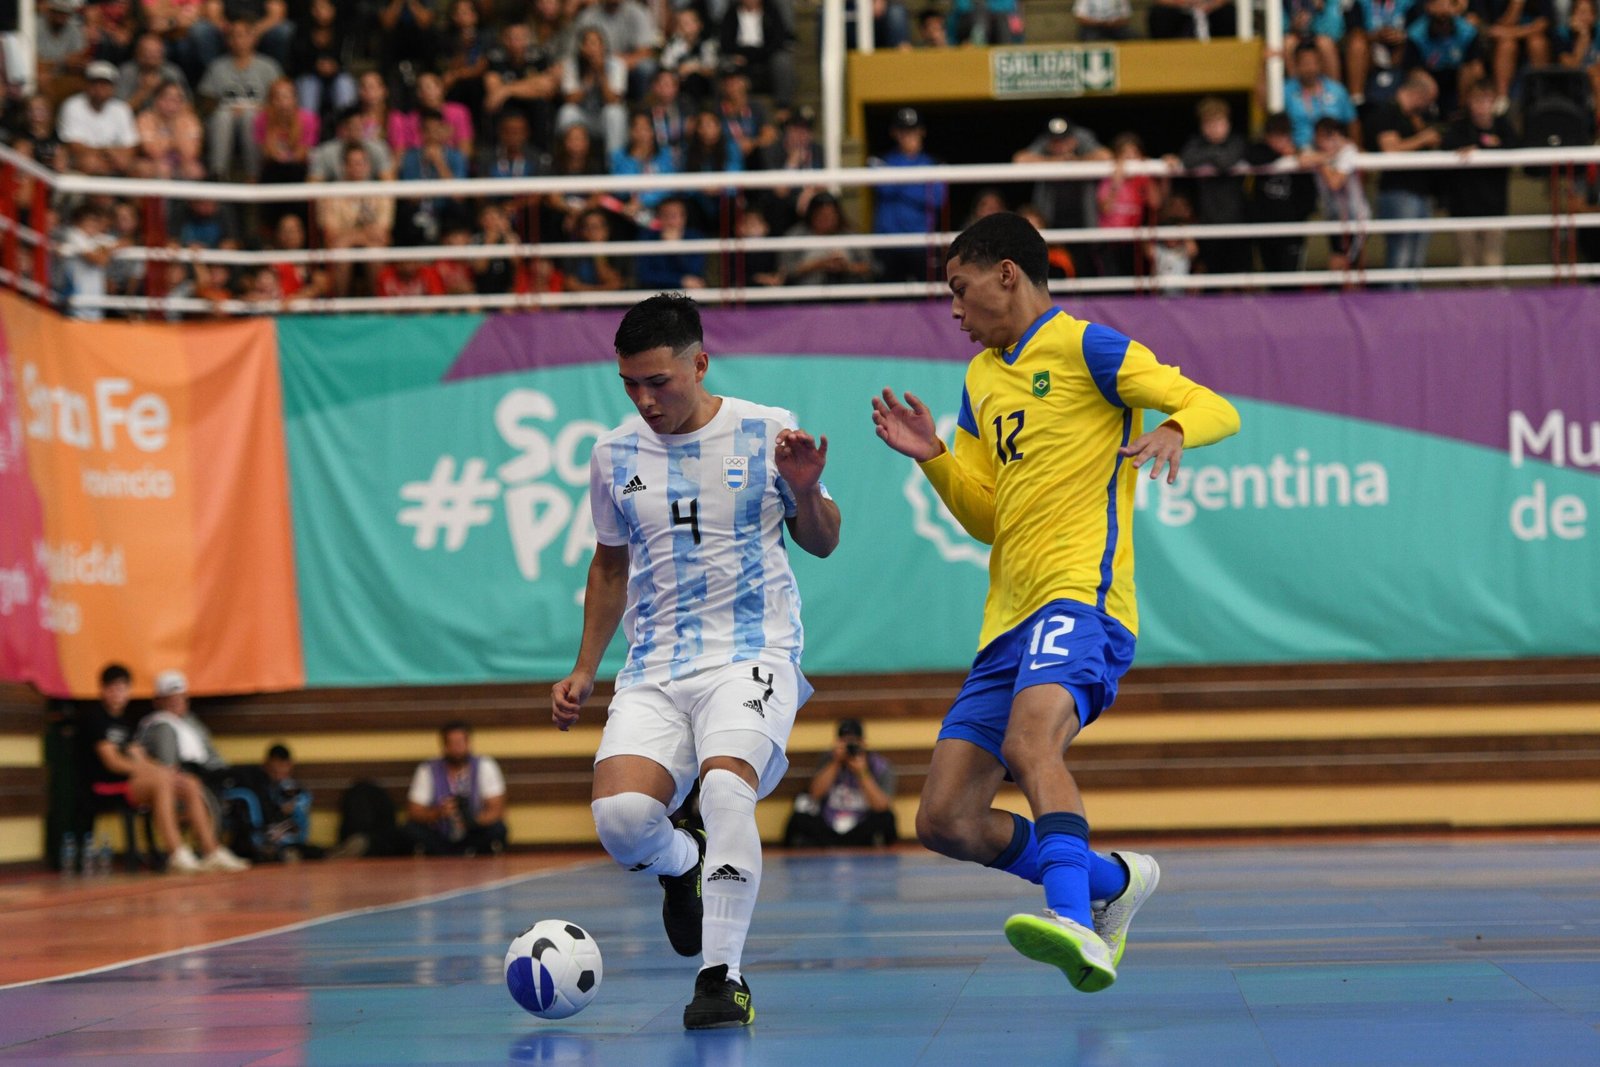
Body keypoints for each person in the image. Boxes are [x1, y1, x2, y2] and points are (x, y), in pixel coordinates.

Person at [870, 212, 1239, 992]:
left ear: (1008, 272)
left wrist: (1173, 426)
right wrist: (935, 457)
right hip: (1007, 618)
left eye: (960, 290)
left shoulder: (1089, 347)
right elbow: (987, 517)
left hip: (1084, 596)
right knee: (944, 819)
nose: (955, 312)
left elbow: (1215, 406)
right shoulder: (979, 381)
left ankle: (1077, 921)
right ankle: (1110, 881)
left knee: (1033, 742)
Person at [550, 292, 841, 1029]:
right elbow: (609, 568)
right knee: (621, 819)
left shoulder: (767, 430)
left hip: (753, 652)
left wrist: (806, 490)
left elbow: (824, 538)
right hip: (655, 665)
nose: (646, 400)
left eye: (659, 381)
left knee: (725, 787)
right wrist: (585, 668)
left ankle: (722, 975)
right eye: (631, 385)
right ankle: (684, 865)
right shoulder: (613, 455)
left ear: (700, 363)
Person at [79, 664, 248, 874]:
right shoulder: (95, 718)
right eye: (113, 688)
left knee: (189, 783)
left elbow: (139, 756)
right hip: (106, 786)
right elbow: (113, 762)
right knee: (162, 781)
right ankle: (176, 853)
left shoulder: (125, 721)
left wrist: (164, 770)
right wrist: (154, 773)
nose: (118, 694)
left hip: (132, 782)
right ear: (103, 690)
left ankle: (212, 851)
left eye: (123, 688)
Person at [1365, 68, 1442, 281]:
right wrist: (1423, 138)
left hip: (1420, 192)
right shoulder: (1386, 112)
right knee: (1400, 255)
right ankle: (1396, 308)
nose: (1429, 106)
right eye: (1429, 100)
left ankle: (1411, 306)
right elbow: (1390, 149)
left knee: (1416, 259)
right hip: (1398, 193)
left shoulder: (1413, 118)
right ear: (1419, 94)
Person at [1439, 77, 1517, 268]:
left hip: (1495, 205)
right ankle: (1469, 298)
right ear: (1469, 102)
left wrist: (1480, 149)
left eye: (1486, 100)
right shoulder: (1458, 127)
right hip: (1463, 206)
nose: (1482, 106)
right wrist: (1466, 149)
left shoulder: (1503, 126)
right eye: (1477, 100)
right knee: (1467, 262)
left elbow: (1515, 149)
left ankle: (1494, 298)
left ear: (1494, 102)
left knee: (1493, 260)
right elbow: (1447, 147)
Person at [783, 719, 898, 847]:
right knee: (800, 810)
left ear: (863, 743)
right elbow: (814, 794)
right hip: (828, 825)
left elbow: (882, 806)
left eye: (853, 742)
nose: (849, 747)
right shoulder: (828, 759)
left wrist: (862, 772)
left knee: (887, 818)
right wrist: (836, 762)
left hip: (860, 826)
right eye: (844, 742)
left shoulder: (879, 765)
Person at [404, 720, 509, 856]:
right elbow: (414, 811)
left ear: (468, 743)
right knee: (410, 830)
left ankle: (470, 852)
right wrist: (438, 813)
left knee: (498, 829)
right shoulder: (428, 769)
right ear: (444, 746)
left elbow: (497, 809)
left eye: (460, 742)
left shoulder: (485, 766)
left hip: (474, 832)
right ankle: (445, 854)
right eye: (452, 743)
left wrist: (472, 821)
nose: (457, 748)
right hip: (440, 833)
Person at [872, 106, 948, 283]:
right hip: (888, 243)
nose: (909, 136)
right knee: (888, 301)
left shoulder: (934, 164)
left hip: (921, 243)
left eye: (913, 130)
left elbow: (937, 199)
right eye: (903, 131)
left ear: (922, 131)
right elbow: (883, 188)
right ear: (894, 133)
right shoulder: (881, 161)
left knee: (926, 302)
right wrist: (919, 184)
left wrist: (896, 180)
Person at [1246, 111, 1318, 272]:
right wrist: (1280, 156)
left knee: (1291, 278)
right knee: (1271, 275)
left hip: (1292, 230)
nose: (1279, 142)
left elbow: (1309, 197)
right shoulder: (1260, 152)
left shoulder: (1300, 160)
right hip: (1265, 230)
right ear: (1266, 137)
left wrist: (1297, 220)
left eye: (1283, 136)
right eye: (1274, 137)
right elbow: (1253, 156)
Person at [1310, 115, 1371, 273]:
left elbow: (1335, 183)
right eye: (1320, 137)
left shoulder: (1348, 151)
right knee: (1340, 260)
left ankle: (1349, 297)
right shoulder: (1317, 151)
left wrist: (1322, 162)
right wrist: (1326, 156)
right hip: (1333, 215)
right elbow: (1301, 159)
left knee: (1346, 263)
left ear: (1338, 136)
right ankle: (1340, 296)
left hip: (1354, 216)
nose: (1323, 142)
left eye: (1328, 137)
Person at [57, 60, 139, 176]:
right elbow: (74, 146)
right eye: (96, 83)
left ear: (113, 87)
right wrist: (107, 152)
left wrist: (115, 156)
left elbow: (131, 147)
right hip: (81, 161)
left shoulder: (121, 109)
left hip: (114, 161)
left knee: (139, 167)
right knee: (90, 163)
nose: (100, 88)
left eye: (105, 84)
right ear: (87, 85)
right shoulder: (72, 105)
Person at [1284, 42, 1358, 149]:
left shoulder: (1337, 90)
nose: (1310, 68)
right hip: (1301, 153)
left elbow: (1352, 122)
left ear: (1321, 63)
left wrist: (1356, 146)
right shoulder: (1286, 91)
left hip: (1336, 150)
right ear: (1296, 64)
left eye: (1314, 62)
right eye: (1305, 63)